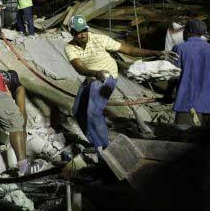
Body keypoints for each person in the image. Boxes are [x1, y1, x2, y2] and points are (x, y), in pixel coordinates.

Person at [65, 15, 168, 152]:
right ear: (72, 32)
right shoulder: (70, 47)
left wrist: (155, 53)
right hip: (92, 76)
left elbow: (129, 50)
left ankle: (105, 147)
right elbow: (79, 68)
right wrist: (94, 73)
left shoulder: (100, 39)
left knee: (93, 111)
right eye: (78, 32)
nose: (82, 34)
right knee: (77, 111)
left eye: (84, 30)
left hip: (107, 75)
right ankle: (95, 141)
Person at [171, 19, 210, 127]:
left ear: (189, 31)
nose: (183, 32)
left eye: (184, 30)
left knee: (186, 141)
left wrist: (168, 94)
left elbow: (172, 75)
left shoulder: (179, 48)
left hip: (187, 107)